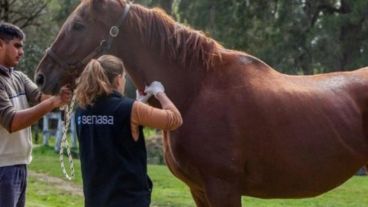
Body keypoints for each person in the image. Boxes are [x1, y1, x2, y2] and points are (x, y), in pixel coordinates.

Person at [74, 55, 183, 207]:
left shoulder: (81, 110)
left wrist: (139, 104)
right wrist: (159, 93)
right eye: (124, 77)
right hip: (127, 199)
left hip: (95, 198)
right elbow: (174, 119)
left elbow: (108, 130)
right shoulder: (129, 109)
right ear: (118, 79)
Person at [0, 22, 72, 207]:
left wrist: (63, 89)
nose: (21, 51)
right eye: (16, 46)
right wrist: (53, 102)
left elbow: (41, 97)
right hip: (3, 169)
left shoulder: (19, 77)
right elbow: (12, 122)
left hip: (19, 165)